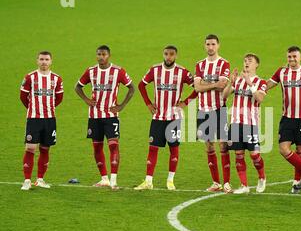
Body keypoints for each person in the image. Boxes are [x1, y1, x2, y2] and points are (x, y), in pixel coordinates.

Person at [135, 45, 196, 190]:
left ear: (176, 56)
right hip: (158, 117)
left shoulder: (182, 72)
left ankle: (170, 180)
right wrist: (148, 104)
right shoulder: (155, 70)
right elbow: (141, 85)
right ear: (163, 54)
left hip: (174, 117)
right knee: (153, 147)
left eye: (172, 54)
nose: (168, 57)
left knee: (173, 148)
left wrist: (185, 102)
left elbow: (197, 88)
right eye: (166, 54)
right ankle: (148, 181)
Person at [75, 45, 135, 190]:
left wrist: (121, 105)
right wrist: (86, 100)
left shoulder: (118, 71)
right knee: (97, 148)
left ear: (109, 55)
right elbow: (78, 87)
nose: (101, 57)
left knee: (113, 146)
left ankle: (113, 180)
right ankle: (104, 179)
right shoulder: (91, 71)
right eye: (99, 54)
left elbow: (132, 88)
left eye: (104, 54)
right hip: (94, 116)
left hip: (111, 116)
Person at [266, 46, 301, 193]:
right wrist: (251, 83)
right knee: (284, 149)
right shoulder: (281, 72)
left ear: (300, 57)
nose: (292, 59)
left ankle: (297, 183)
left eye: (295, 56)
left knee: (300, 149)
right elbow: (267, 85)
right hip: (287, 117)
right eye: (289, 57)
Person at [222, 54, 267, 194]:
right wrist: (231, 82)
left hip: (251, 124)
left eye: (250, 61)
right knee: (239, 154)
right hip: (236, 122)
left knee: (254, 155)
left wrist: (250, 84)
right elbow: (224, 96)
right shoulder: (238, 81)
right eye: (245, 61)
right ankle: (244, 185)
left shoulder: (261, 82)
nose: (247, 63)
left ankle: (262, 177)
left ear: (256, 65)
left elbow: (260, 98)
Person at [20, 51, 64, 190]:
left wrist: (48, 108)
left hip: (50, 119)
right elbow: (23, 97)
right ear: (37, 61)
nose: (44, 62)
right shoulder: (30, 77)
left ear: (51, 61)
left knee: (45, 149)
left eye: (46, 59)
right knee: (30, 148)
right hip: (34, 119)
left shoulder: (57, 79)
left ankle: (40, 179)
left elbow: (59, 98)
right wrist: (33, 108)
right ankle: (27, 180)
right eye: (41, 59)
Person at [194, 34, 231, 193]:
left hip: (219, 108)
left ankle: (227, 182)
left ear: (218, 45)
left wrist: (205, 84)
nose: (210, 47)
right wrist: (214, 84)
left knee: (223, 144)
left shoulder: (224, 63)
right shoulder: (199, 65)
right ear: (205, 46)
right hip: (203, 110)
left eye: (213, 44)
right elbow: (197, 88)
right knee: (209, 146)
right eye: (208, 44)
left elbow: (223, 86)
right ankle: (216, 182)